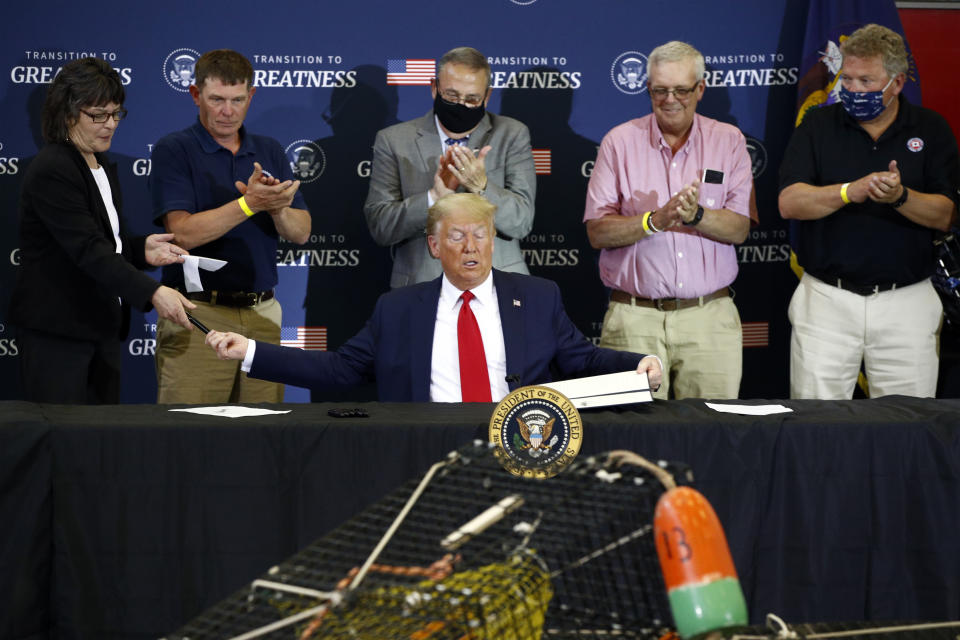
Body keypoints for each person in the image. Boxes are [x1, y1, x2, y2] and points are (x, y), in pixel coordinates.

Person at [207, 193, 662, 401]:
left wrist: (635, 364)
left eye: (479, 236)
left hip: (519, 441)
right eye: (457, 236)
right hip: (426, 446)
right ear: (434, 246)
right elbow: (340, 371)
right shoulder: (399, 308)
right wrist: (249, 351)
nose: (470, 247)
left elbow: (581, 359)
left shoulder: (537, 296)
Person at [779, 24, 958, 399]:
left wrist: (900, 196)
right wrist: (850, 191)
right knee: (816, 428)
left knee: (907, 429)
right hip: (827, 300)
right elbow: (790, 202)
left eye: (866, 80)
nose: (854, 90)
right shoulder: (817, 124)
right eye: (848, 79)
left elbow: (946, 215)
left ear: (897, 83)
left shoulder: (931, 128)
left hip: (906, 302)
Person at [9, 57, 194, 404]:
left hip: (100, 330)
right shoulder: (54, 167)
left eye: (116, 114)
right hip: (59, 336)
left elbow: (106, 243)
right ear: (68, 114)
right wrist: (153, 294)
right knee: (63, 449)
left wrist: (142, 250)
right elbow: (88, 249)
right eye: (98, 115)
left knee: (98, 447)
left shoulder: (100, 164)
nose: (110, 125)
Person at [583, 41, 753, 400]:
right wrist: (653, 221)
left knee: (712, 436)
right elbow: (597, 232)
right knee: (632, 440)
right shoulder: (619, 142)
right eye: (660, 90)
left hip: (709, 319)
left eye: (681, 89)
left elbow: (739, 229)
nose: (670, 99)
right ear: (648, 90)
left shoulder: (729, 141)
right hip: (634, 319)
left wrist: (697, 216)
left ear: (700, 90)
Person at [149, 49, 311, 404]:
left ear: (251, 96)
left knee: (262, 436)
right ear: (195, 96)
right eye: (216, 99)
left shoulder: (267, 150)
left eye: (238, 100)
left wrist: (276, 208)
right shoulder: (174, 149)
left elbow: (300, 232)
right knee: (190, 436)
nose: (228, 111)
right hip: (198, 314)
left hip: (263, 314)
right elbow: (183, 234)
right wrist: (249, 204)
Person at [364, 46, 536, 288]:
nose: (461, 105)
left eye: (472, 99)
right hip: (421, 287)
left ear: (486, 97)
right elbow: (381, 227)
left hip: (499, 286)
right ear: (434, 89)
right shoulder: (394, 140)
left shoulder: (511, 134)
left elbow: (522, 221)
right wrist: (433, 198)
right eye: (452, 97)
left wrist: (482, 187)